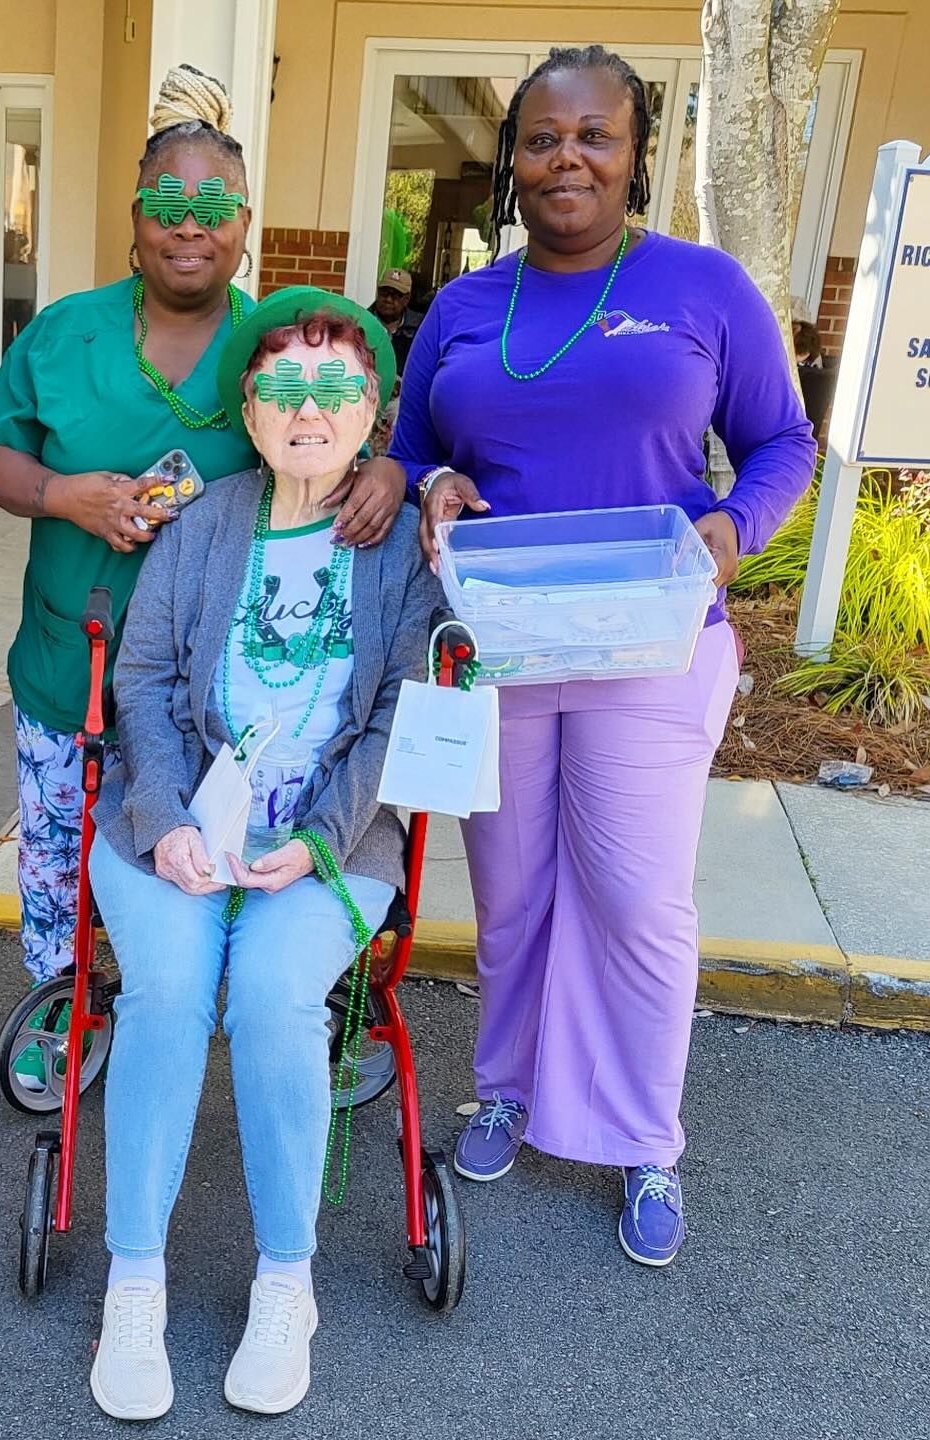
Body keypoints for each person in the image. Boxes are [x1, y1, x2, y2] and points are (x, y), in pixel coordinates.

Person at [391, 45, 816, 1266]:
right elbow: (411, 443)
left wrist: (732, 532)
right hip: (505, 640)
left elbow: (783, 441)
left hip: (653, 639)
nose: (565, 157)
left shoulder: (703, 285)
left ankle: (644, 1137)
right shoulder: (470, 306)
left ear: (635, 158)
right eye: (541, 139)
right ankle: (508, 1085)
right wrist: (431, 482)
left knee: (634, 897)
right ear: (513, 163)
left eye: (594, 137)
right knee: (514, 895)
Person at [0, 65, 410, 1019]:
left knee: (201, 862)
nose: (189, 224)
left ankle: (210, 1008)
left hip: (226, 690)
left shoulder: (277, 344)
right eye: (167, 203)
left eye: (214, 206)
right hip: (75, 664)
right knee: (60, 857)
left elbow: (347, 424)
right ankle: (64, 1010)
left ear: (246, 222)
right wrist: (59, 495)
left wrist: (391, 469)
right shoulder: (64, 334)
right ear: (134, 215)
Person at [83, 287, 436, 1421]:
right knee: (172, 991)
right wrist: (167, 816)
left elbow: (398, 720)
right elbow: (138, 680)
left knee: (278, 998)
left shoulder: (396, 550)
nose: (308, 408)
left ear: (374, 409)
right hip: (172, 824)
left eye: (335, 387)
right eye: (283, 386)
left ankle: (289, 1279)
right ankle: (135, 1277)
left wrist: (321, 841)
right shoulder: (205, 520)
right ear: (248, 406)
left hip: (324, 843)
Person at [368, 266, 421, 374]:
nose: (388, 299)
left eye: (395, 295)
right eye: (384, 293)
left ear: (406, 299)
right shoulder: (363, 323)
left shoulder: (419, 328)